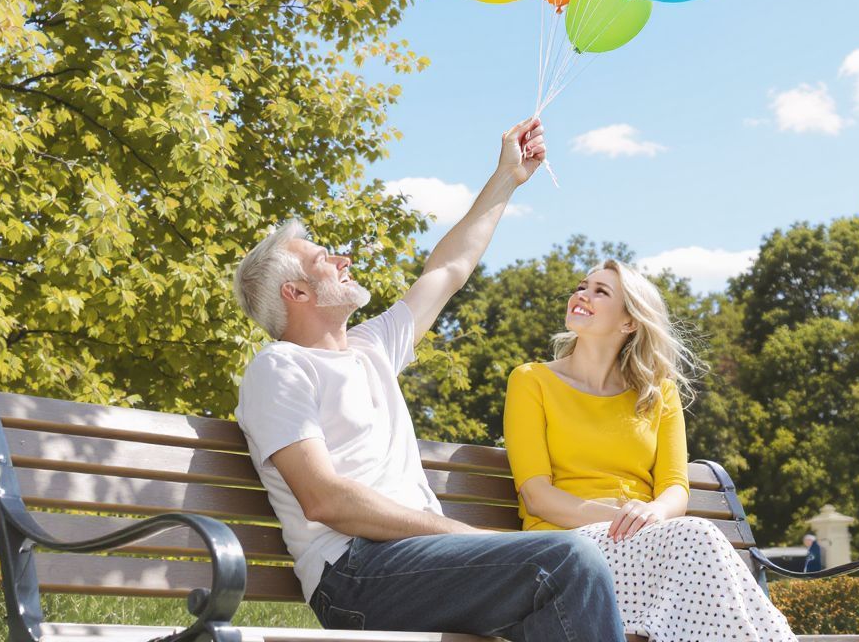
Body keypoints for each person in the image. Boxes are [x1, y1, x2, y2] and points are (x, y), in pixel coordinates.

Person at [232, 118, 625, 641]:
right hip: (354, 574)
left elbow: (450, 267)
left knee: (559, 600)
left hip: (419, 562)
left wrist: (508, 176)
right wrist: (464, 535)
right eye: (325, 260)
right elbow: (325, 499)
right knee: (566, 559)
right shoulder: (279, 368)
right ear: (297, 295)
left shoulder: (372, 348)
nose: (345, 259)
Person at [504, 259, 798, 642]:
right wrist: (619, 517)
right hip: (568, 550)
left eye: (600, 291)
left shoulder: (659, 391)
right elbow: (536, 495)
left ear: (629, 322)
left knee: (695, 539)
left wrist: (653, 513)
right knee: (698, 536)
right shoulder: (531, 380)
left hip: (651, 546)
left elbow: (675, 487)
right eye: (582, 286)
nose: (582, 295)